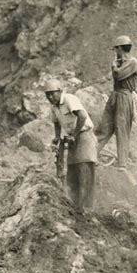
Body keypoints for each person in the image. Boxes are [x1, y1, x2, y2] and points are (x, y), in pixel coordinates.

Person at [45, 79, 97, 211]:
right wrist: (57, 137)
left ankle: (86, 207)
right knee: (72, 171)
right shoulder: (54, 107)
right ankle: (73, 205)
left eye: (53, 93)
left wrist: (75, 134)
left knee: (84, 168)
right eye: (48, 95)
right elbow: (56, 123)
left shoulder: (68, 99)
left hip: (84, 135)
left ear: (60, 91)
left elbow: (82, 116)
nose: (51, 97)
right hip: (72, 138)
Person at [95, 36, 137, 171]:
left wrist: (114, 65)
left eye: (116, 49)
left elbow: (118, 75)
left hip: (125, 96)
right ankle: (91, 155)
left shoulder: (132, 62)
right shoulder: (120, 62)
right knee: (104, 127)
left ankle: (122, 163)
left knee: (122, 128)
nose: (115, 51)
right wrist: (116, 64)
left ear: (120, 48)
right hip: (115, 95)